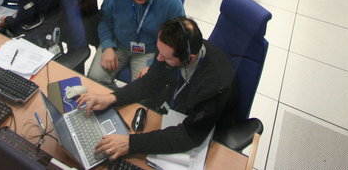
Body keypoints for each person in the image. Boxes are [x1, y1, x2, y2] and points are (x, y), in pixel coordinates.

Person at [78, 17, 238, 158]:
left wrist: (131, 143)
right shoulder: (170, 47)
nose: (159, 58)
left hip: (202, 124)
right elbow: (150, 82)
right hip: (175, 108)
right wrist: (111, 97)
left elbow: (189, 136)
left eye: (166, 57)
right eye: (159, 51)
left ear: (188, 59)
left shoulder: (215, 85)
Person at [88, 0, 184, 87]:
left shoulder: (171, 1)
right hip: (118, 44)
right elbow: (104, 21)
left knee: (144, 90)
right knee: (95, 79)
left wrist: (156, 64)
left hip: (151, 51)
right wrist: (107, 46)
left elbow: (176, 39)